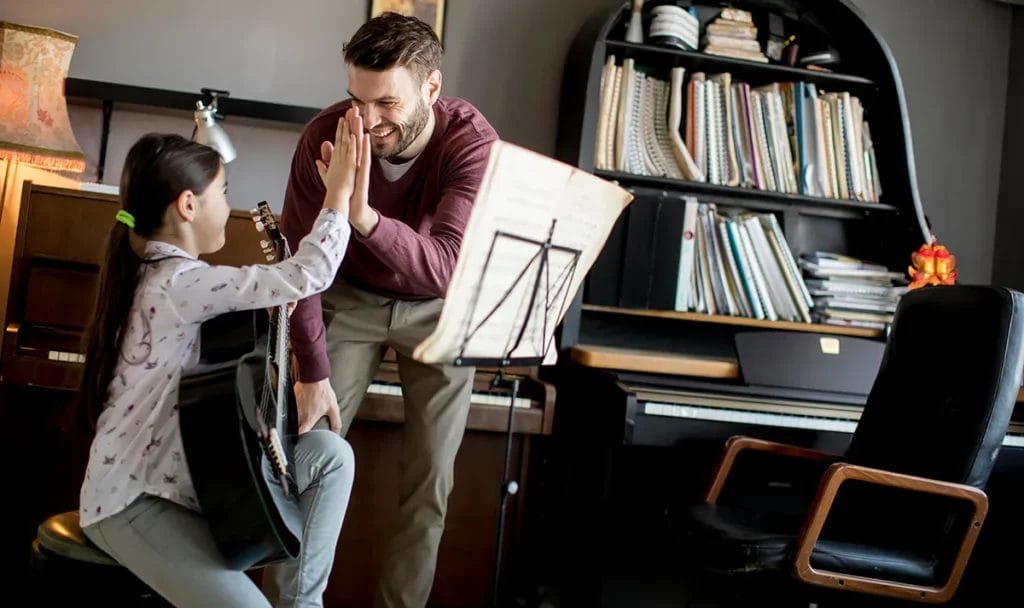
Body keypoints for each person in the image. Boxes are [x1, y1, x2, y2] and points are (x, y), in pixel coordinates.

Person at [76, 109, 369, 608]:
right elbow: (310, 273)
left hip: (185, 486)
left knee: (330, 456)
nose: (228, 204)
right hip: (129, 504)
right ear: (189, 205)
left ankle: (304, 601)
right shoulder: (178, 283)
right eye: (224, 192)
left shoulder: (172, 277)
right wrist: (338, 196)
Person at [278, 11, 499, 608]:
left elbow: (448, 263)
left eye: (387, 104)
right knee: (302, 462)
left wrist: (363, 218)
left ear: (432, 88)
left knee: (430, 485)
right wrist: (312, 374)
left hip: (439, 308)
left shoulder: (473, 143)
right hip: (345, 294)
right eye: (357, 101)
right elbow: (299, 269)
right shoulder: (324, 136)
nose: (368, 123)